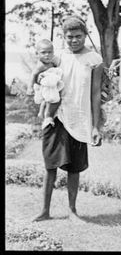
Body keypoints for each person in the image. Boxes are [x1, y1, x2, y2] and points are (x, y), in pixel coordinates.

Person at [33, 15, 103, 223]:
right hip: (56, 118)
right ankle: (45, 210)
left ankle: (72, 211)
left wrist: (96, 126)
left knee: (74, 168)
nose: (74, 40)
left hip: (81, 120)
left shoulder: (94, 60)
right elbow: (42, 73)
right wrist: (38, 79)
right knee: (50, 165)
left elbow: (96, 93)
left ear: (85, 35)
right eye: (69, 36)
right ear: (64, 37)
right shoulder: (59, 57)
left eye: (78, 36)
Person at [27, 39, 62, 128]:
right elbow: (33, 75)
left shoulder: (51, 62)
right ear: (37, 53)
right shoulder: (40, 65)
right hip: (42, 86)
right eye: (43, 53)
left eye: (50, 52)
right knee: (48, 100)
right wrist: (30, 87)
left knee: (49, 100)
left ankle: (43, 113)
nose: (47, 55)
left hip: (50, 85)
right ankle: (45, 115)